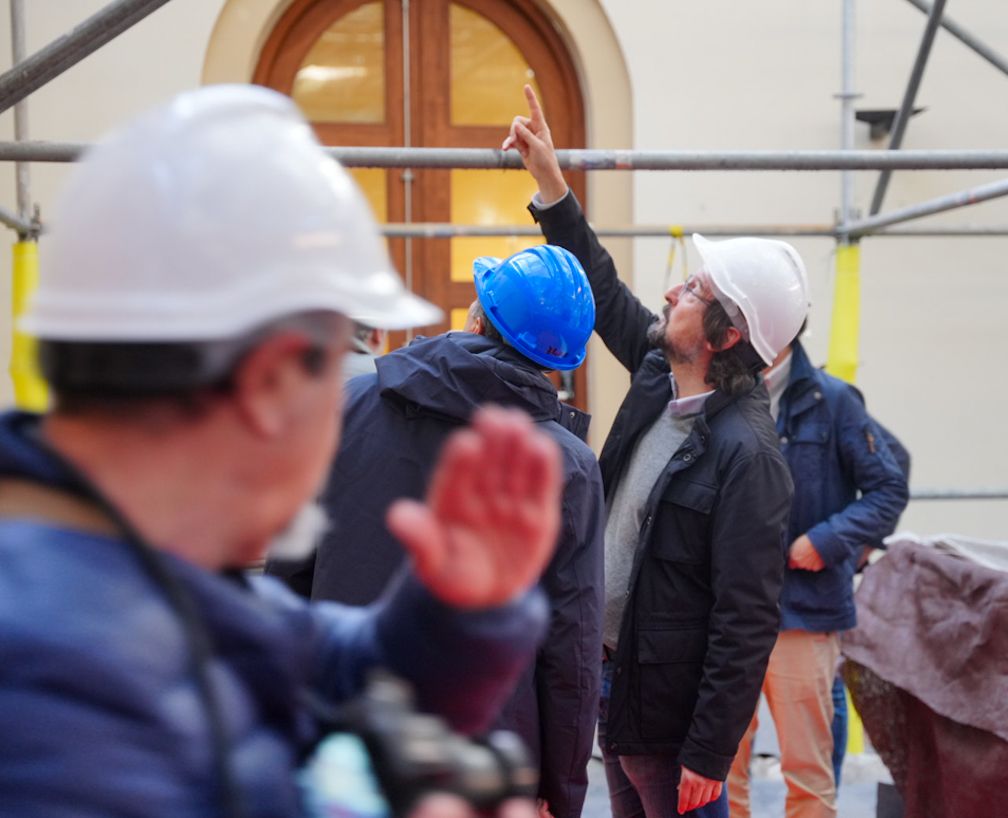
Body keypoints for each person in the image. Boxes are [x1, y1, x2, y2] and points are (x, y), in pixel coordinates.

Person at [0, 85, 564, 818]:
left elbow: (337, 667)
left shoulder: (154, 574)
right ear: (272, 383)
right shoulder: (49, 697)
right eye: (338, 369)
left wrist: (453, 612)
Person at [503, 86, 806, 818]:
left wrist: (710, 749)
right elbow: (604, 295)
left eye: (694, 291)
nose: (673, 292)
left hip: (672, 724)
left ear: (727, 336)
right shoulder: (659, 374)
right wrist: (551, 185)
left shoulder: (748, 458)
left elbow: (746, 618)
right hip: (617, 686)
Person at [273, 244, 605, 818]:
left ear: (476, 316)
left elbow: (288, 577)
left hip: (346, 742)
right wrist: (560, 784)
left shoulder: (345, 406)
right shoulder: (565, 464)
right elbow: (571, 644)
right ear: (556, 364)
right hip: (486, 760)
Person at [725, 331, 910, 818]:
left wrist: (832, 542)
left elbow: (890, 483)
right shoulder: (720, 390)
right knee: (720, 771)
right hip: (727, 611)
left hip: (803, 611)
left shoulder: (831, 399)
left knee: (808, 773)